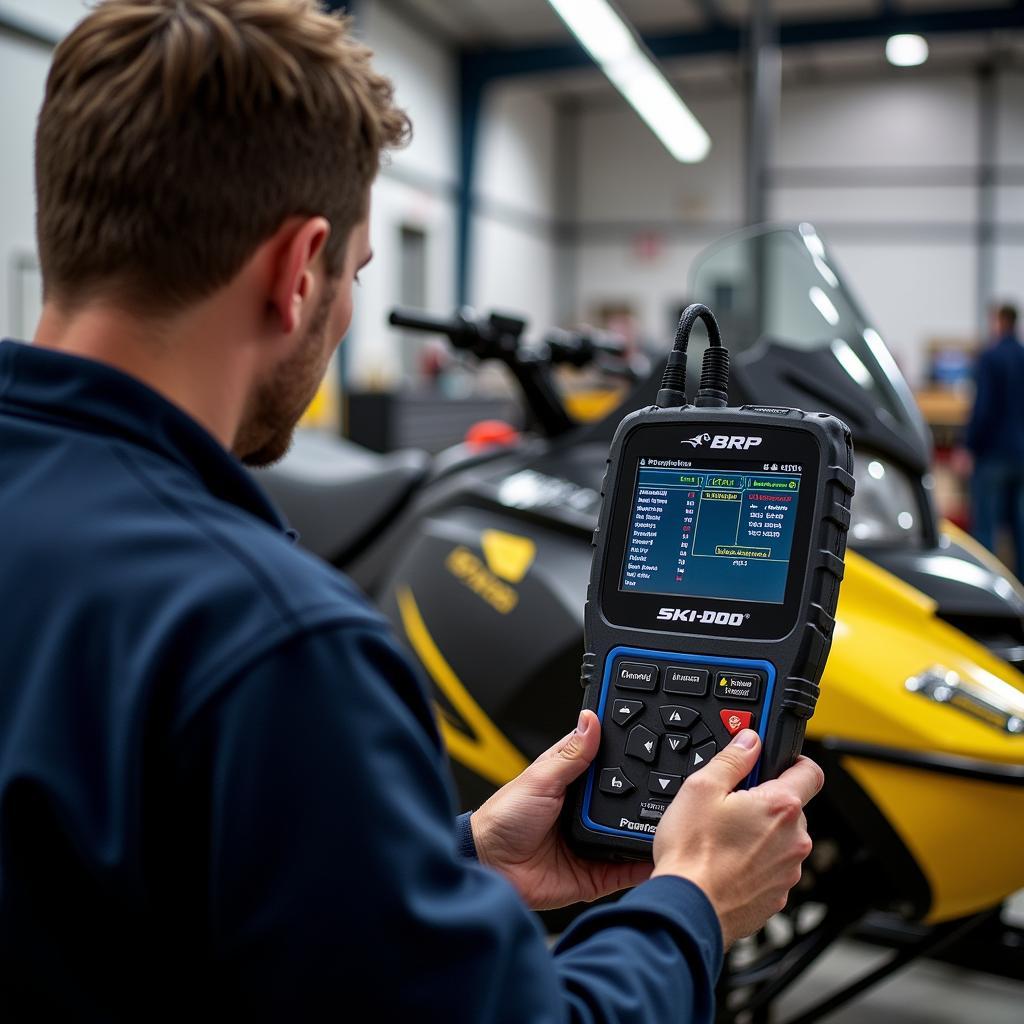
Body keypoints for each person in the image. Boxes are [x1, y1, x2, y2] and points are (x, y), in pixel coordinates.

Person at [0, 1, 821, 1018]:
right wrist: (687, 906)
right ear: (298, 270)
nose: (344, 307)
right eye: (354, 273)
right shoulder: (276, 644)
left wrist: (446, 862)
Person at [964, 303, 1024, 579]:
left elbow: (984, 409)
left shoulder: (990, 358)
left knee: (986, 527)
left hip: (993, 455)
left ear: (999, 322)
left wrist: (969, 446)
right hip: (1020, 455)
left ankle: (988, 587)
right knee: (1019, 529)